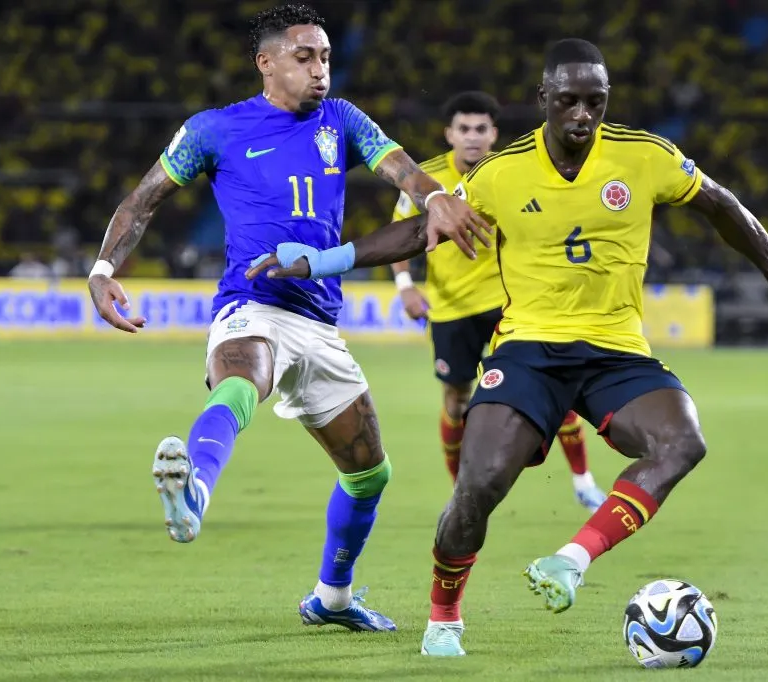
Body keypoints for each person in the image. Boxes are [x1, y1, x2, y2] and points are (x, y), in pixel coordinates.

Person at [244, 38, 768, 656]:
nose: (582, 115)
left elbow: (722, 206)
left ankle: (572, 559)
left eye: (594, 102)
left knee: (684, 443)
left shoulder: (645, 156)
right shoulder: (501, 172)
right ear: (543, 98)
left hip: (617, 352)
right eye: (568, 100)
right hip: (529, 352)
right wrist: (322, 260)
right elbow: (421, 230)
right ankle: (444, 617)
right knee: (478, 486)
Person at [85, 3, 489, 634]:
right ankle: (193, 490)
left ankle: (332, 598)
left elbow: (403, 170)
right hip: (253, 302)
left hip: (321, 322)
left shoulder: (342, 119)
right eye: (304, 57)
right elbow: (141, 202)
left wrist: (434, 195)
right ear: (266, 63)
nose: (320, 69)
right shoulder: (213, 130)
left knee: (369, 474)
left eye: (325, 56)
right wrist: (104, 271)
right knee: (244, 376)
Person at [389, 90, 606, 510]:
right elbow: (399, 236)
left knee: (553, 390)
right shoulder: (427, 181)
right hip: (451, 308)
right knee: (456, 399)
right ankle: (462, 493)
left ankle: (583, 481)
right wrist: (406, 287)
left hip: (512, 305)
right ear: (449, 134)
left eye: (481, 129)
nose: (472, 137)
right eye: (464, 129)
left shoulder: (514, 172)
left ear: (494, 134)